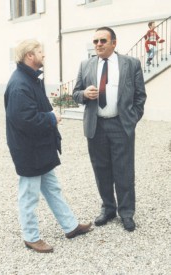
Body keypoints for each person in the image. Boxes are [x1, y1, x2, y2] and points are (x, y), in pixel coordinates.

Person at [4, 39, 92, 253]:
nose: (44, 55)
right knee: (29, 194)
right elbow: (25, 120)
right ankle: (30, 237)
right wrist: (52, 118)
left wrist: (49, 116)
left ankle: (70, 226)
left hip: (40, 147)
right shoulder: (20, 84)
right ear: (29, 56)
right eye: (40, 52)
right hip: (29, 150)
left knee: (52, 188)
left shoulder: (30, 79)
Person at [73, 27, 147, 232]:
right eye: (95, 41)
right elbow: (75, 93)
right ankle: (108, 209)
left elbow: (140, 96)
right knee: (101, 170)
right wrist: (84, 94)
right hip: (96, 126)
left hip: (120, 124)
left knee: (124, 170)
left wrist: (132, 119)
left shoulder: (130, 64)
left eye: (103, 40)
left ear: (114, 43)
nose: (98, 44)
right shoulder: (86, 65)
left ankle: (126, 213)